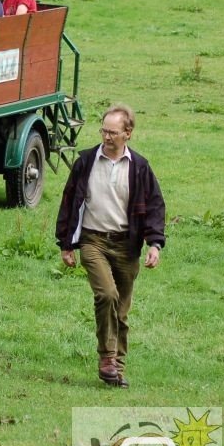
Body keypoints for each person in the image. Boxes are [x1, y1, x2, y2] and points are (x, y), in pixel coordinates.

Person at [55, 104, 166, 388]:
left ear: (128, 133)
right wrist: (66, 244)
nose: (106, 137)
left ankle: (116, 367)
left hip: (126, 245)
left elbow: (154, 206)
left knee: (122, 311)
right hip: (93, 241)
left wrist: (154, 244)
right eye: (104, 130)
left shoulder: (139, 167)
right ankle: (107, 357)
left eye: (113, 132)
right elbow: (69, 201)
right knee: (106, 294)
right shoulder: (86, 162)